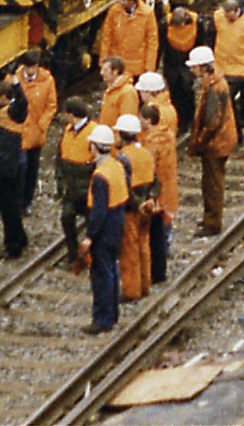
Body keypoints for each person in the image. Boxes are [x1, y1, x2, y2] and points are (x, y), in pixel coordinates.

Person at [186, 46, 237, 237]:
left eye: (194, 67)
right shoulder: (214, 82)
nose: (192, 70)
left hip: (216, 145)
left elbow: (212, 122)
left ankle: (213, 224)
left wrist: (199, 141)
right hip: (219, 143)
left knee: (213, 185)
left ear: (202, 67)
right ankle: (210, 219)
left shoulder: (214, 87)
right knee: (211, 183)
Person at [83, 124, 128, 332]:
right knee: (112, 270)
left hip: (105, 228)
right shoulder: (117, 166)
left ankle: (103, 319)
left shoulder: (100, 175)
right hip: (118, 223)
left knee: (101, 274)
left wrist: (90, 235)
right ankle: (113, 314)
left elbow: (99, 211)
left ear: (94, 146)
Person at [0, 79, 28, 259]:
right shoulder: (2, 108)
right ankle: (20, 237)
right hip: (0, 166)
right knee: (9, 207)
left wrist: (17, 85)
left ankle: (13, 246)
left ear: (4, 97)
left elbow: (23, 101)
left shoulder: (15, 112)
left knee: (8, 207)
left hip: (7, 168)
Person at [137, 88, 178, 284]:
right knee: (161, 230)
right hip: (167, 187)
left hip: (156, 192)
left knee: (156, 234)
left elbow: (149, 167)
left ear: (148, 120)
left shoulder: (153, 142)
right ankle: (159, 271)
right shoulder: (166, 135)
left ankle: (157, 273)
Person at [113, 113, 156, 301]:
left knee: (129, 250)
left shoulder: (123, 158)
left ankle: (131, 290)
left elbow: (124, 186)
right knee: (144, 246)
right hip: (147, 206)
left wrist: (136, 203)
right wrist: (150, 200)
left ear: (122, 134)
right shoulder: (146, 153)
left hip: (131, 209)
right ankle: (145, 285)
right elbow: (157, 181)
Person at [15, 49, 58, 215]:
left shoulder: (47, 80)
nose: (31, 71)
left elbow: (51, 105)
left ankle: (27, 202)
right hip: (20, 132)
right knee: (20, 168)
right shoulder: (15, 79)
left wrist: (42, 124)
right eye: (28, 67)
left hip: (36, 133)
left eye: (33, 67)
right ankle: (19, 202)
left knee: (32, 168)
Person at [208, 0, 244, 131]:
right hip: (221, 66)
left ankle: (243, 118)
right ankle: (232, 124)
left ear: (237, 10)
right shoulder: (217, 17)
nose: (227, 19)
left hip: (241, 67)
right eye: (225, 15)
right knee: (226, 97)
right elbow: (209, 39)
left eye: (230, 16)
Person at [56, 97, 96, 258]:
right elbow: (60, 156)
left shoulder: (94, 131)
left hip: (87, 187)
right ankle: (73, 252)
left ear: (72, 114)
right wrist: (60, 179)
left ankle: (91, 252)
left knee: (92, 222)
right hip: (71, 187)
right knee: (66, 218)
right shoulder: (68, 130)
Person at [98, 0, 158, 79]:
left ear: (131, 1)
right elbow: (106, 37)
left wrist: (149, 68)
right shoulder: (114, 11)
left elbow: (152, 42)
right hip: (117, 67)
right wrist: (103, 61)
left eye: (124, 0)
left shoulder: (147, 13)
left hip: (137, 68)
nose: (120, 2)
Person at [163, 7, 198, 130]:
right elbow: (160, 46)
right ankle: (179, 122)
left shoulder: (197, 22)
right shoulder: (165, 24)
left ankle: (189, 119)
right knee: (174, 93)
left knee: (188, 91)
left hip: (189, 62)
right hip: (172, 63)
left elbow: (201, 43)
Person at [98, 55, 139, 127]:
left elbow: (127, 123)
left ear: (115, 71)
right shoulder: (111, 88)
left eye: (105, 70)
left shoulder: (128, 92)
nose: (101, 73)